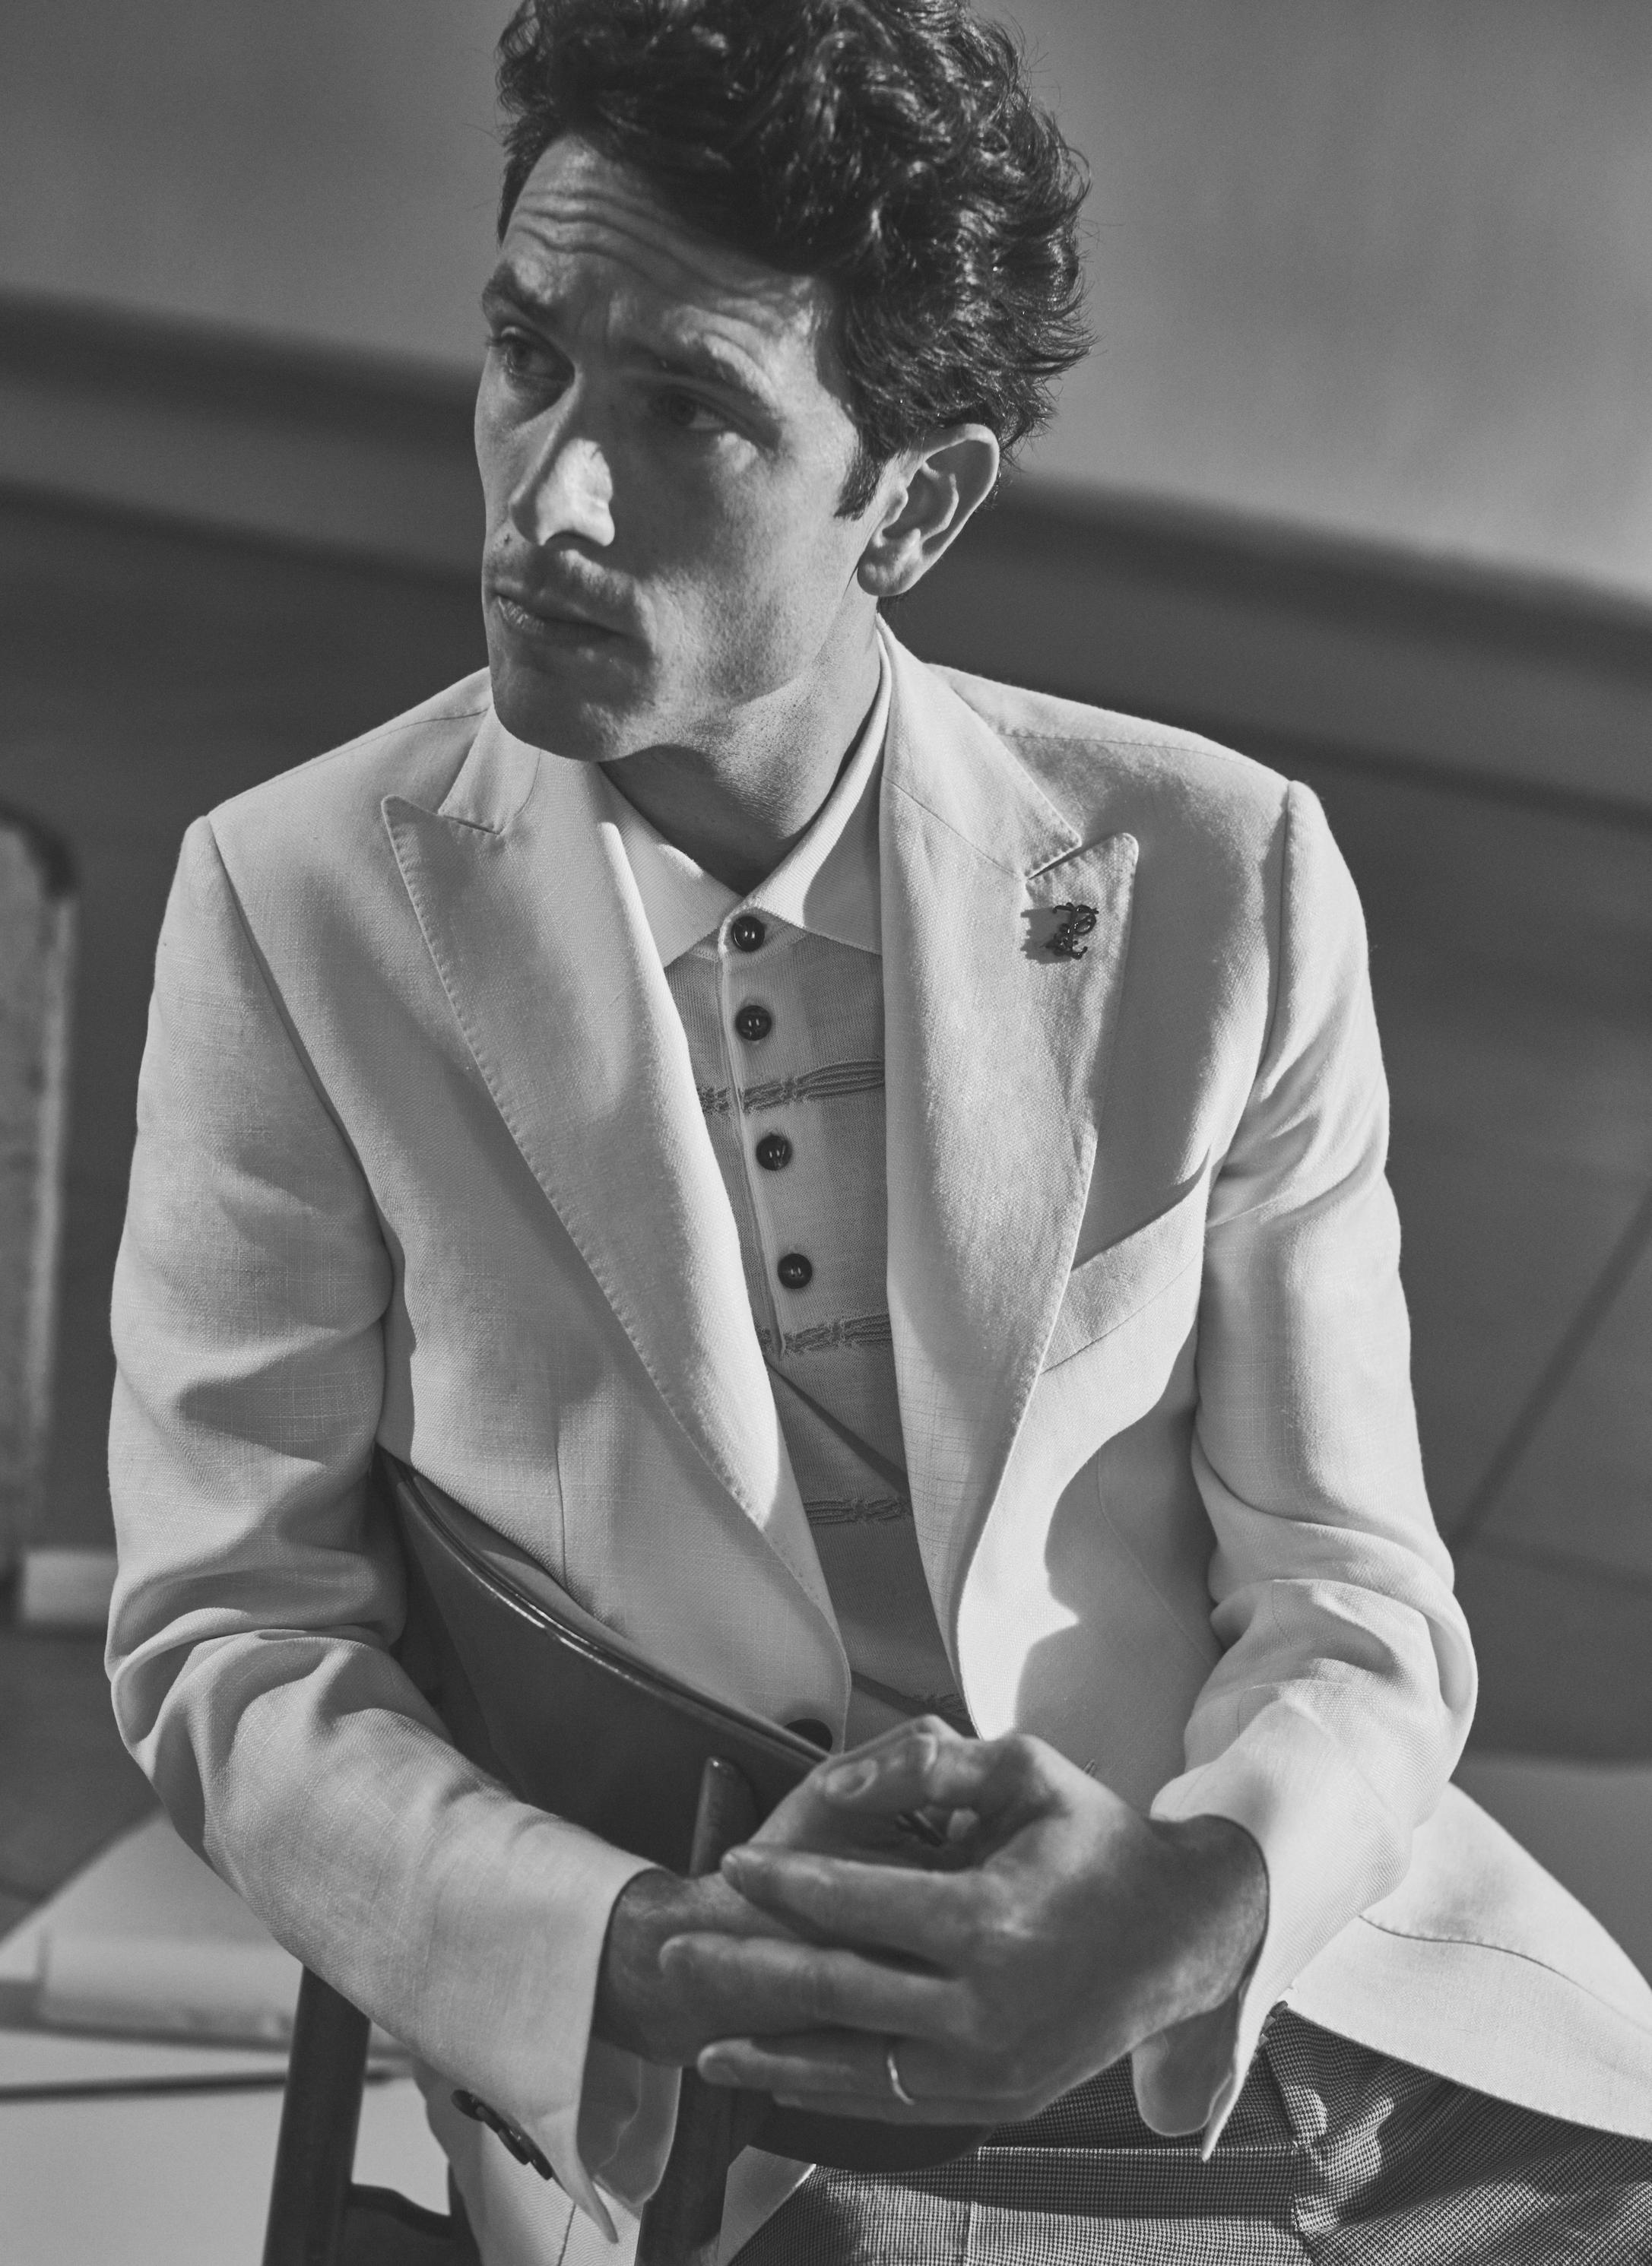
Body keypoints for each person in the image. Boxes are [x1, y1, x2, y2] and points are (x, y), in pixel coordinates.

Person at [106, 1, 1652, 2258]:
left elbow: (1352, 1592)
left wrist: (1195, 1902)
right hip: (717, 2070)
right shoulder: (298, 905)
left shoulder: (1217, 875)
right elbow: (225, 1633)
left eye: (688, 413)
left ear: (910, 506)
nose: (548, 495)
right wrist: (636, 1955)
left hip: (1263, 1977)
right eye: (527, 355)